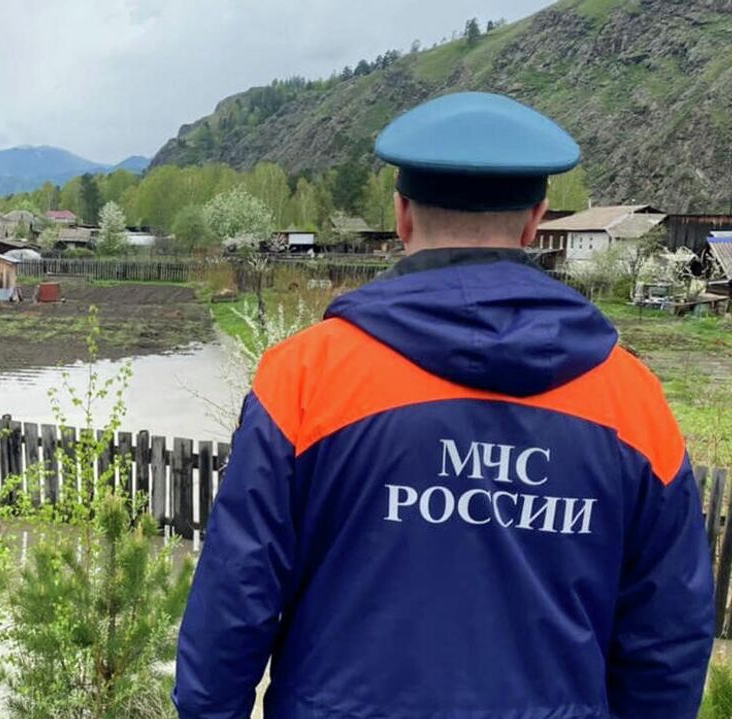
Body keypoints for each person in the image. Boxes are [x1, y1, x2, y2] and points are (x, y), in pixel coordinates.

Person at [173, 92, 714, 719]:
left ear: (402, 213)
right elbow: (669, 637)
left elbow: (235, 600)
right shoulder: (632, 400)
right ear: (535, 219)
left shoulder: (304, 378)